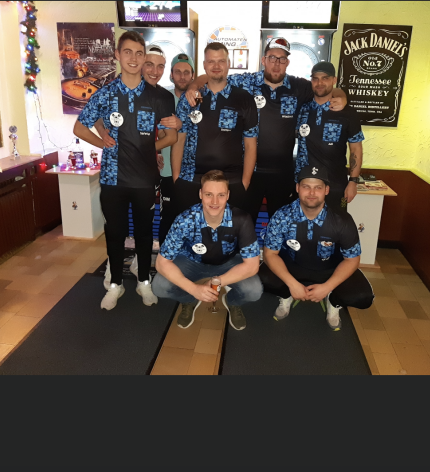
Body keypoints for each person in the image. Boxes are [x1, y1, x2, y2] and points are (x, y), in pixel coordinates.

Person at [186, 37, 347, 225]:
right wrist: (193, 86)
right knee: (244, 223)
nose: (276, 64)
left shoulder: (298, 87)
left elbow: (325, 89)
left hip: (283, 173)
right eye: (272, 58)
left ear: (287, 62)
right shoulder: (247, 81)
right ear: (263, 60)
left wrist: (342, 97)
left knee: (281, 225)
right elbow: (214, 76)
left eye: (281, 59)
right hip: (250, 171)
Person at [73, 30, 178, 310]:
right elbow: (79, 127)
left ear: (144, 58)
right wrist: (103, 142)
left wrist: (148, 148)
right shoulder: (105, 94)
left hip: (145, 179)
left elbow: (171, 137)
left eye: (139, 53)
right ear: (118, 55)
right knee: (115, 233)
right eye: (128, 52)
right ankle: (115, 284)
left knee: (144, 234)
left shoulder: (159, 97)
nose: (133, 58)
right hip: (112, 179)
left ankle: (144, 281)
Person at [261, 164, 374, 327]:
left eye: (318, 187)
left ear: (326, 190)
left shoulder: (342, 220)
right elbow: (270, 254)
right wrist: (292, 284)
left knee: (363, 297)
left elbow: (352, 259)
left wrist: (328, 287)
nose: (312, 193)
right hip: (293, 267)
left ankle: (333, 301)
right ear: (298, 188)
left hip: (329, 270)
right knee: (259, 278)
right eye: (306, 187)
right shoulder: (281, 216)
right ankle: (287, 294)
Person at [152, 169, 262, 331]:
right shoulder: (185, 219)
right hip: (191, 261)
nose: (215, 201)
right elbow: (161, 263)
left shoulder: (241, 219)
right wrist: (193, 289)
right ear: (200, 194)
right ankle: (189, 300)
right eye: (209, 194)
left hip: (228, 262)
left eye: (221, 195)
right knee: (159, 286)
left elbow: (252, 266)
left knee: (254, 290)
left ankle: (232, 301)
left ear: (228, 195)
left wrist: (219, 281)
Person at [171, 42, 258, 215]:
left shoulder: (244, 98)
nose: (216, 66)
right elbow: (179, 139)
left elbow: (251, 144)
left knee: (228, 230)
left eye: (221, 61)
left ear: (229, 64)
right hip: (191, 179)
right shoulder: (190, 98)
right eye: (211, 61)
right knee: (191, 229)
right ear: (204, 65)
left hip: (231, 181)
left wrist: (244, 182)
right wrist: (176, 177)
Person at [295, 61, 364, 210]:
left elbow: (356, 149)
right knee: (302, 223)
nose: (319, 83)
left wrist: (353, 181)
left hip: (335, 184)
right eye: (315, 78)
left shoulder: (348, 113)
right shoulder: (302, 109)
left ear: (334, 80)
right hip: (304, 184)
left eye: (325, 78)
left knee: (336, 223)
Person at [157, 53, 196, 244]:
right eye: (178, 72)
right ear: (171, 74)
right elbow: (154, 132)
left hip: (195, 173)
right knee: (168, 218)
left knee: (193, 220)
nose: (182, 76)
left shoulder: (200, 99)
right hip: (167, 171)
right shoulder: (163, 98)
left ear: (193, 75)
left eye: (186, 72)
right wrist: (155, 152)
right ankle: (165, 257)